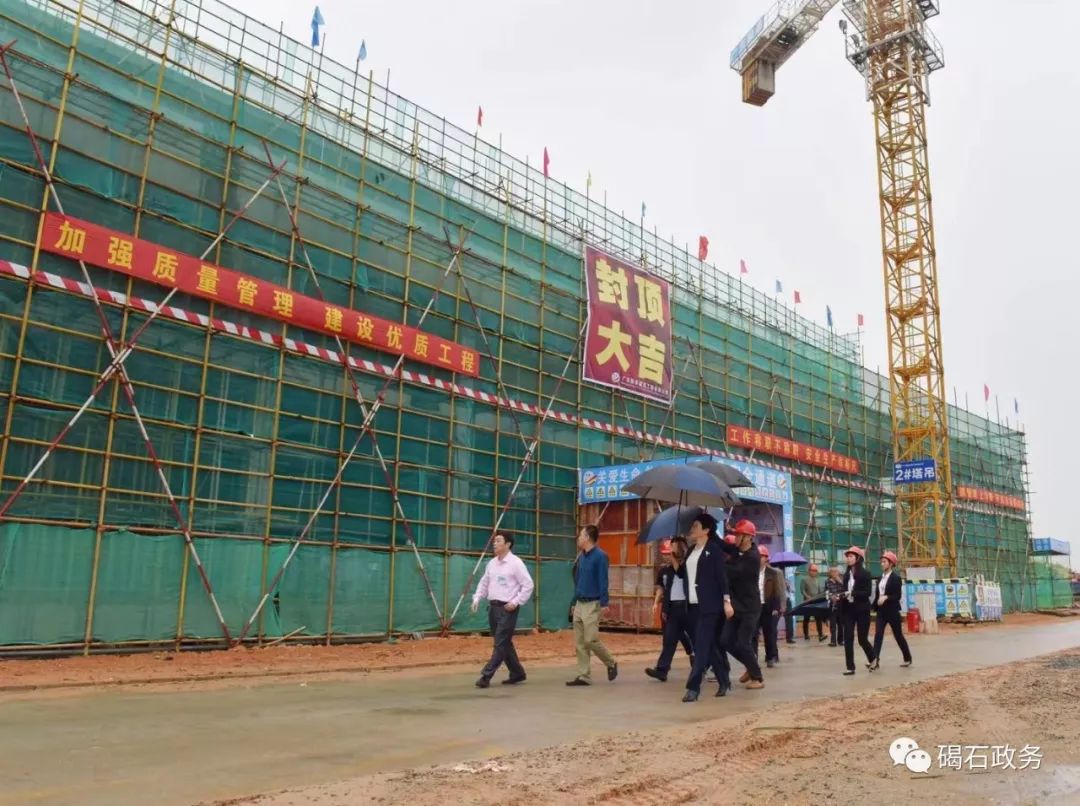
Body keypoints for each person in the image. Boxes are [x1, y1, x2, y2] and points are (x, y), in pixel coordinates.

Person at [471, 532, 535, 688]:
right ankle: (517, 673)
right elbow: (484, 583)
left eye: (498, 541)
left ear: (508, 544)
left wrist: (516, 602)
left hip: (508, 609)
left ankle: (486, 676)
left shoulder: (516, 563)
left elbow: (528, 585)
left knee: (500, 643)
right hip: (493, 608)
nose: (494, 543)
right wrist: (477, 598)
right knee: (504, 643)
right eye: (494, 541)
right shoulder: (492, 563)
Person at [682, 512, 733, 702]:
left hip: (710, 606)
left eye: (696, 526)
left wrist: (726, 602)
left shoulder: (714, 551)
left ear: (706, 530)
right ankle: (724, 679)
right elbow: (684, 576)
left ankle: (693, 688)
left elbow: (722, 579)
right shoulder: (690, 551)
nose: (692, 529)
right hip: (692, 606)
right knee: (709, 646)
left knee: (701, 647)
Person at [567, 524, 618, 686]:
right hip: (580, 603)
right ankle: (584, 675)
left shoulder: (601, 556)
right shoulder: (581, 556)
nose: (579, 538)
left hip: (593, 602)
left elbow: (603, 580)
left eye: (581, 535)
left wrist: (604, 602)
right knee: (580, 643)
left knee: (590, 639)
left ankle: (611, 662)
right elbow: (578, 581)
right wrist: (574, 602)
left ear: (588, 537)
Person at [721, 520, 765, 689]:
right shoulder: (738, 551)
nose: (735, 537)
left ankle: (758, 678)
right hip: (737, 606)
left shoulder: (753, 557)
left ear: (747, 537)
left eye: (738, 534)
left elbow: (733, 571)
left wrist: (718, 566)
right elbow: (725, 547)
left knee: (742, 643)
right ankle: (751, 665)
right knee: (725, 640)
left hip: (750, 608)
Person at [646, 537, 694, 681]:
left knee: (696, 637)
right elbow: (661, 588)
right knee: (669, 639)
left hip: (687, 607)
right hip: (672, 608)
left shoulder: (687, 566)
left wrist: (676, 561)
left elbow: (681, 575)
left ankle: (701, 661)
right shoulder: (664, 571)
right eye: (666, 553)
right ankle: (662, 670)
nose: (668, 555)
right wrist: (656, 603)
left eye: (671, 551)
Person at [870, 550, 912, 669]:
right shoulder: (880, 578)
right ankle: (875, 660)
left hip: (892, 611)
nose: (881, 564)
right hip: (881, 612)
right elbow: (878, 596)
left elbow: (897, 596)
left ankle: (907, 657)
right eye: (881, 562)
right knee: (878, 635)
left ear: (891, 563)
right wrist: (871, 607)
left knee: (898, 635)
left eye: (884, 562)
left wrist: (886, 597)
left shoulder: (896, 578)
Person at [839, 546, 875, 675]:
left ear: (858, 558)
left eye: (851, 556)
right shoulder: (846, 575)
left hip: (862, 610)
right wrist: (840, 595)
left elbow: (867, 593)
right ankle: (850, 667)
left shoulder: (866, 574)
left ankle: (873, 658)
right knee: (848, 638)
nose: (848, 559)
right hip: (848, 610)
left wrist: (853, 593)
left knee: (862, 639)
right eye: (847, 557)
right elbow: (843, 590)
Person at [753, 546, 785, 667]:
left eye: (761, 556)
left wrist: (777, 608)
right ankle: (753, 657)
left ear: (766, 558)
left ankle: (771, 656)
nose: (758, 558)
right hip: (755, 607)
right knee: (753, 634)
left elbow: (777, 591)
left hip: (769, 606)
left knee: (770, 633)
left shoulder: (773, 573)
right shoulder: (751, 571)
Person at [801, 564, 827, 641]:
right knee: (806, 619)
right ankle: (806, 635)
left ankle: (821, 635)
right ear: (809, 571)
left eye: (816, 571)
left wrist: (820, 597)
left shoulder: (817, 579)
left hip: (816, 602)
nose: (815, 572)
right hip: (808, 602)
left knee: (818, 618)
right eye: (813, 570)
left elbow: (819, 591)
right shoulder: (804, 579)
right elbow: (802, 590)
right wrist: (807, 596)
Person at [825, 566, 845, 647]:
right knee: (833, 624)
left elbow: (845, 590)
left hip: (840, 604)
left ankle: (841, 640)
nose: (836, 573)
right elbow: (826, 592)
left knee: (841, 623)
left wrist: (840, 581)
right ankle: (833, 641)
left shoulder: (840, 580)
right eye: (833, 571)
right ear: (830, 573)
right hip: (832, 605)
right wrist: (830, 597)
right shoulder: (827, 582)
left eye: (836, 571)